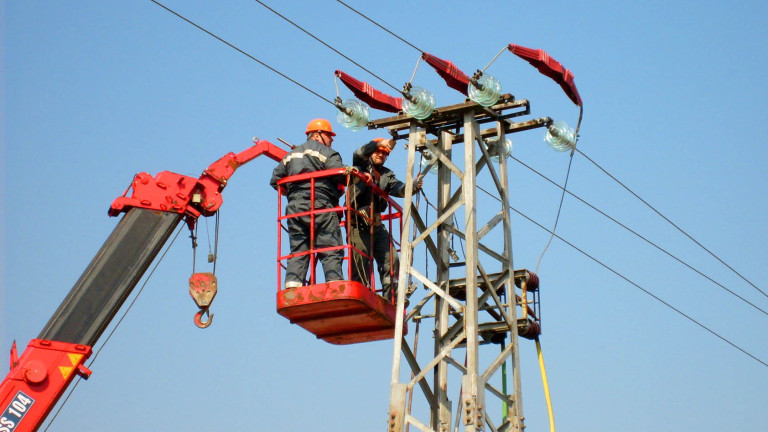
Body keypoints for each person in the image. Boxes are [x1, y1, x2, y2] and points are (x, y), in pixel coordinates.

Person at [270, 119, 348, 288]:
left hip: (295, 209)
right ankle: (334, 284)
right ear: (317, 135)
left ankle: (292, 285)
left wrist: (295, 195)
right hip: (321, 204)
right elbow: (340, 174)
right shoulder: (327, 153)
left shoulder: (290, 156)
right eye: (329, 136)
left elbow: (276, 181)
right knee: (330, 245)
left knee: (299, 248)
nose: (332, 140)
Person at [347, 138, 422, 301]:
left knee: (391, 259)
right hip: (358, 222)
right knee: (361, 260)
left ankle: (392, 298)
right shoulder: (360, 165)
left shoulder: (387, 175)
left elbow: (399, 189)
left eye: (384, 153)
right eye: (378, 152)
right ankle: (361, 296)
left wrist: (413, 186)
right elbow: (358, 153)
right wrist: (379, 141)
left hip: (376, 223)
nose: (380, 155)